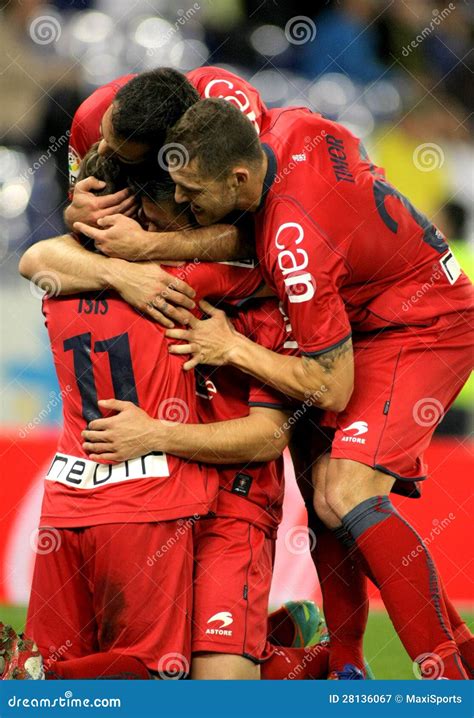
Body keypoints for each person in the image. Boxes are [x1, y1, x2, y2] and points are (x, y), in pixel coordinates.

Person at [158, 98, 474, 679]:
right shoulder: (293, 125)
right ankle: (350, 668)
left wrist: (234, 348)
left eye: (193, 191)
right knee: (323, 495)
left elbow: (330, 387)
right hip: (367, 313)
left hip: (424, 325)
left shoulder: (295, 245)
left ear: (240, 177)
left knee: (348, 491)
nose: (182, 202)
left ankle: (450, 678)